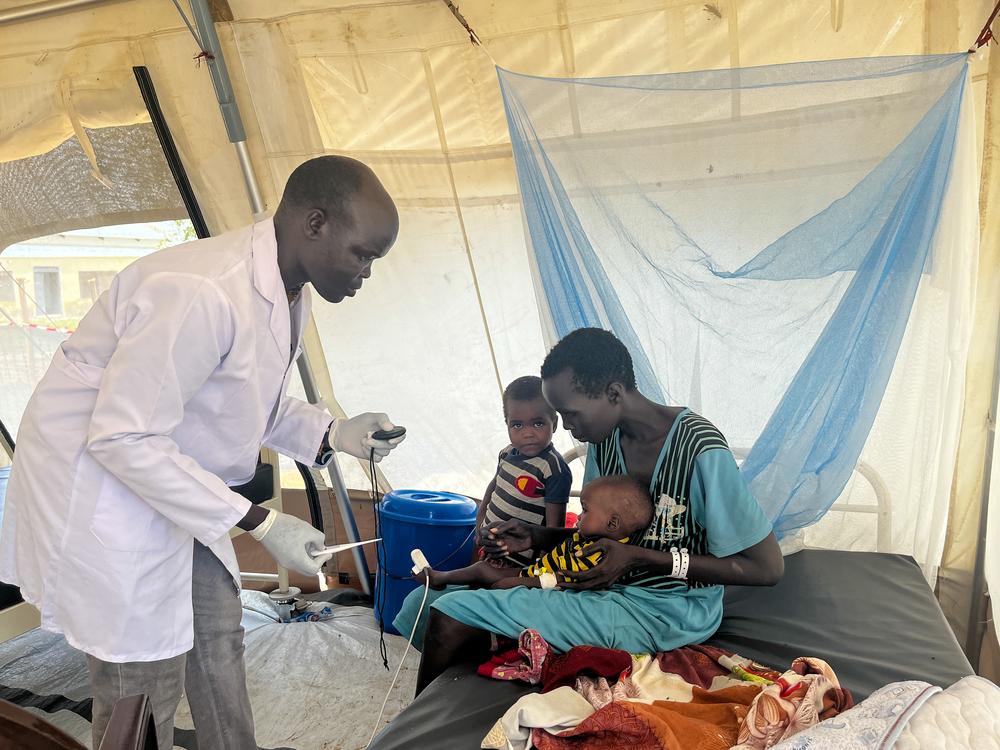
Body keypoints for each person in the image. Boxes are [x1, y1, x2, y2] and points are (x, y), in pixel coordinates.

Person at [0, 156, 404, 750]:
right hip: (111, 489)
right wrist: (260, 520)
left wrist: (333, 434)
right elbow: (120, 436)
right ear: (315, 223)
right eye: (363, 254)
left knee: (217, 634)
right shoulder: (201, 293)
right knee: (141, 680)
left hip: (178, 478)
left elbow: (239, 398)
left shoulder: (289, 290)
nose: (367, 272)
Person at [412, 327, 784, 695]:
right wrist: (537, 536)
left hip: (667, 609)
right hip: (601, 587)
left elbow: (767, 568)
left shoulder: (700, 449)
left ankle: (415, 736)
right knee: (421, 603)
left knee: (449, 615)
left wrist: (641, 558)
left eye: (571, 415)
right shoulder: (605, 443)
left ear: (613, 393)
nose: (569, 428)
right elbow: (597, 535)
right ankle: (477, 665)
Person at [417, 475, 651, 591]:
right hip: (535, 571)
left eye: (585, 510)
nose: (578, 517)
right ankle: (440, 578)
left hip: (546, 584)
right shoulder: (588, 535)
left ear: (612, 524)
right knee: (482, 568)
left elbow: (566, 579)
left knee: (500, 586)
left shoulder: (602, 553)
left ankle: (492, 637)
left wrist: (524, 581)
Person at [472, 375, 570, 568]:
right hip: (486, 543)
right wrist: (479, 525)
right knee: (470, 581)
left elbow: (553, 529)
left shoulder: (553, 468)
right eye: (517, 425)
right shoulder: (507, 453)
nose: (528, 433)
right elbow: (492, 489)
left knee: (490, 589)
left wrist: (538, 568)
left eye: (538, 423)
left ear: (555, 423)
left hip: (518, 562)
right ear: (507, 423)